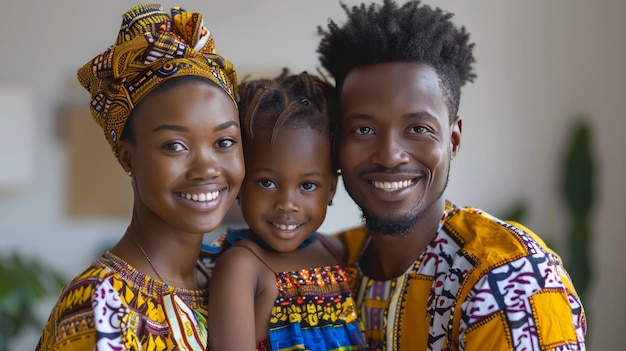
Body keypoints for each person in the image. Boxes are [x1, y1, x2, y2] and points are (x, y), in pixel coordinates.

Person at [316, 1, 586, 350]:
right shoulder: (332, 263)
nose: (389, 155)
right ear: (336, 142)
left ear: (452, 140)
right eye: (364, 129)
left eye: (417, 128)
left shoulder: (507, 278)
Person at [36, 4, 244, 350]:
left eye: (224, 142)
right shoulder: (100, 305)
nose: (207, 168)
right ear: (127, 158)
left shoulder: (230, 273)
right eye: (175, 146)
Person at [208, 70, 367, 350]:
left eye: (307, 185)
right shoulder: (241, 267)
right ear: (240, 183)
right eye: (267, 182)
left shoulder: (338, 252)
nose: (287, 203)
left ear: (331, 188)